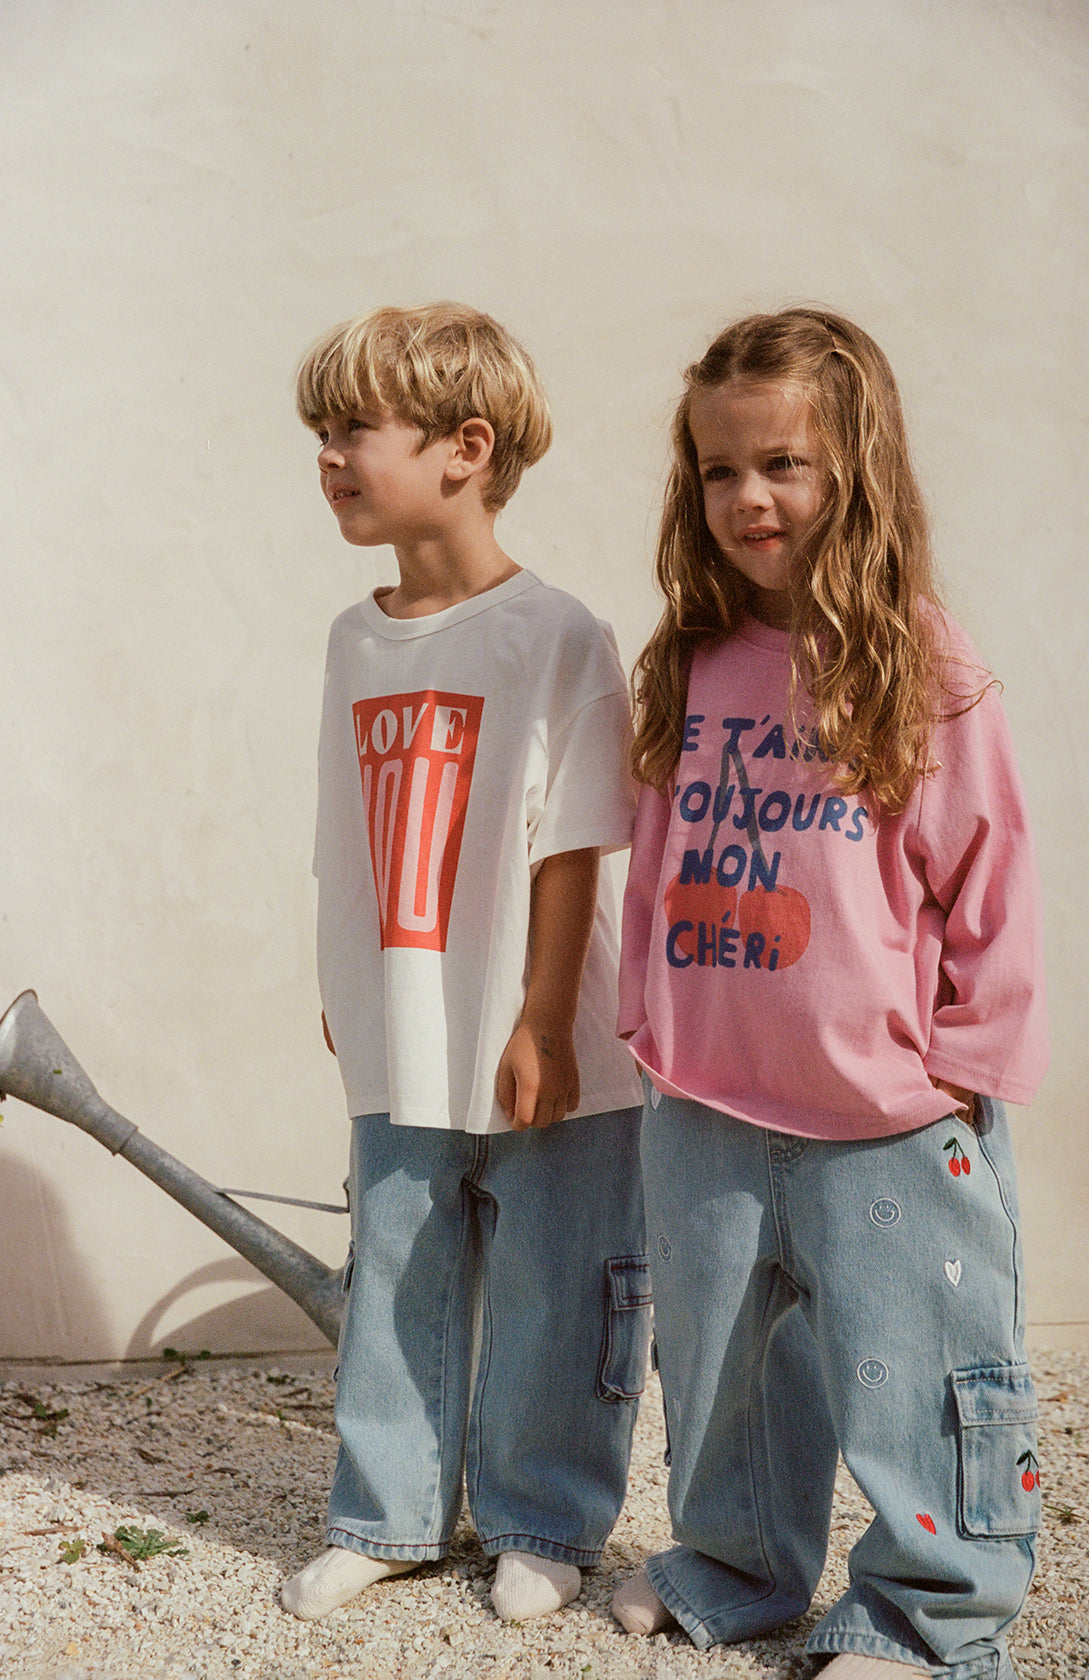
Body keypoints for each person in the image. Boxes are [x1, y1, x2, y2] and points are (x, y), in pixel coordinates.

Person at [612, 307, 1048, 1678]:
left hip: (890, 1115)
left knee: (923, 1373)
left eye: (783, 465)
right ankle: (739, 1566)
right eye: (720, 470)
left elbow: (991, 878)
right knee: (727, 1370)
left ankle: (932, 1614)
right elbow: (654, 860)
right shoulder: (687, 661)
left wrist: (965, 1063)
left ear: (855, 467)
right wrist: (645, 1022)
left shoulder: (924, 665)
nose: (748, 497)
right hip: (708, 1105)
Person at [279, 303, 648, 1625]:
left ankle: (545, 1519)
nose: (326, 455)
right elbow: (342, 820)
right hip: (407, 1014)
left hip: (548, 1033)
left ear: (463, 447)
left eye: (351, 430)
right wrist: (346, 980)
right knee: (401, 1265)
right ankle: (387, 1513)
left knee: (558, 1278)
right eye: (318, 432)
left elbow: (573, 842)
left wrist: (544, 1019)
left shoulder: (555, 633)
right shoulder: (351, 637)